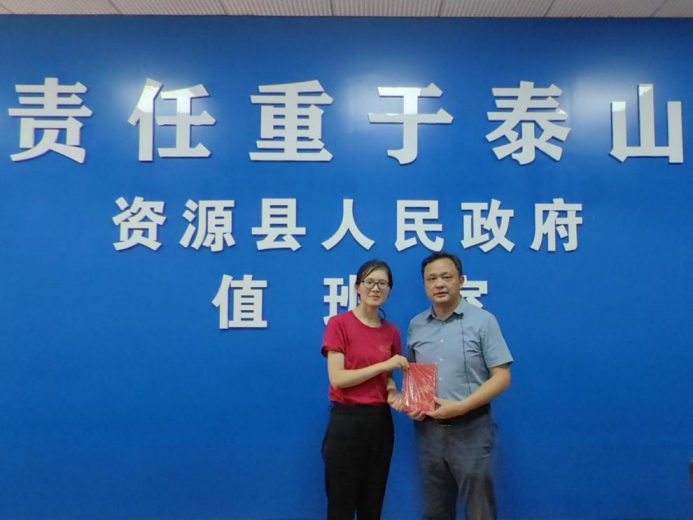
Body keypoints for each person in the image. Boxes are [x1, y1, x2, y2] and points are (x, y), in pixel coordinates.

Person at [407, 252, 513, 520]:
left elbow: (502, 377)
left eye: (446, 277)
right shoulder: (416, 325)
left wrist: (461, 407)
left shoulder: (483, 321)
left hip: (472, 429)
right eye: (432, 278)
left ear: (461, 281)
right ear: (424, 285)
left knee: (479, 510)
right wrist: (414, 404)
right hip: (428, 433)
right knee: (435, 511)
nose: (439, 284)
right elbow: (414, 373)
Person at [321, 259, 409, 520]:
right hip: (346, 422)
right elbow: (338, 378)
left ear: (389, 289)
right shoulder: (339, 324)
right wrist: (384, 364)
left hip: (380, 422)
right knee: (341, 505)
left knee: (372, 504)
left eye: (382, 283)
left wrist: (392, 392)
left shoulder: (391, 332)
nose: (375, 288)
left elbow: (388, 377)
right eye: (369, 282)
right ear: (357, 287)